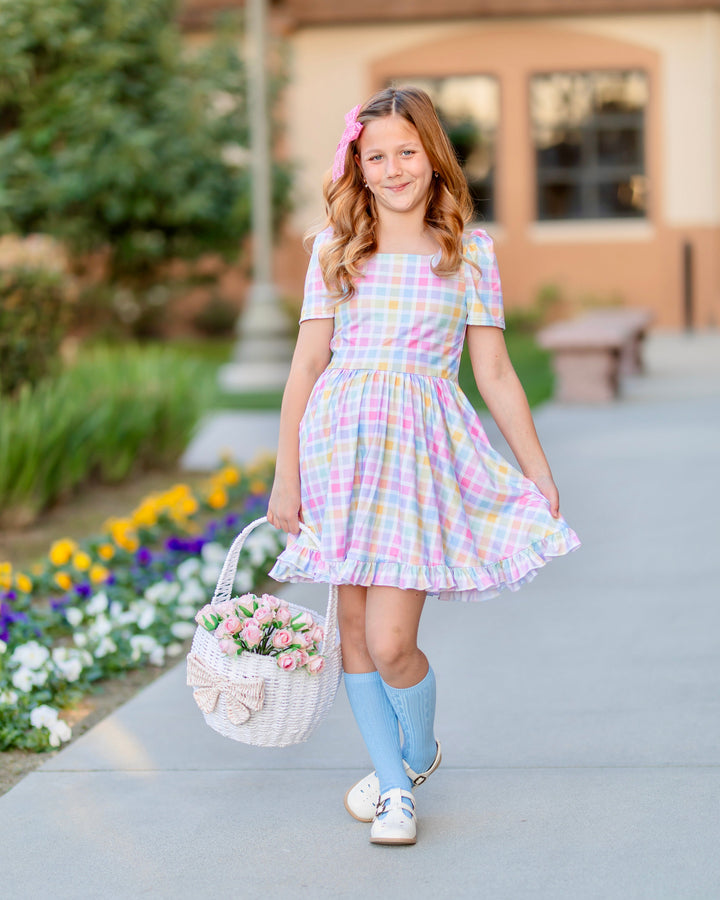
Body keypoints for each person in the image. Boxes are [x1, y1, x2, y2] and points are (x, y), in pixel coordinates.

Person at [267, 86, 580, 846]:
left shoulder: (466, 252)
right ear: (358, 167)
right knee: (351, 629)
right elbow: (306, 366)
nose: (393, 168)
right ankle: (396, 794)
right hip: (340, 451)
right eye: (376, 157)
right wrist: (286, 474)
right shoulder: (335, 248)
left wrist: (536, 470)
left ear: (433, 157)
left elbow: (494, 373)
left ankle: (412, 752)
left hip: (416, 462)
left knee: (391, 642)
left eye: (406, 151)